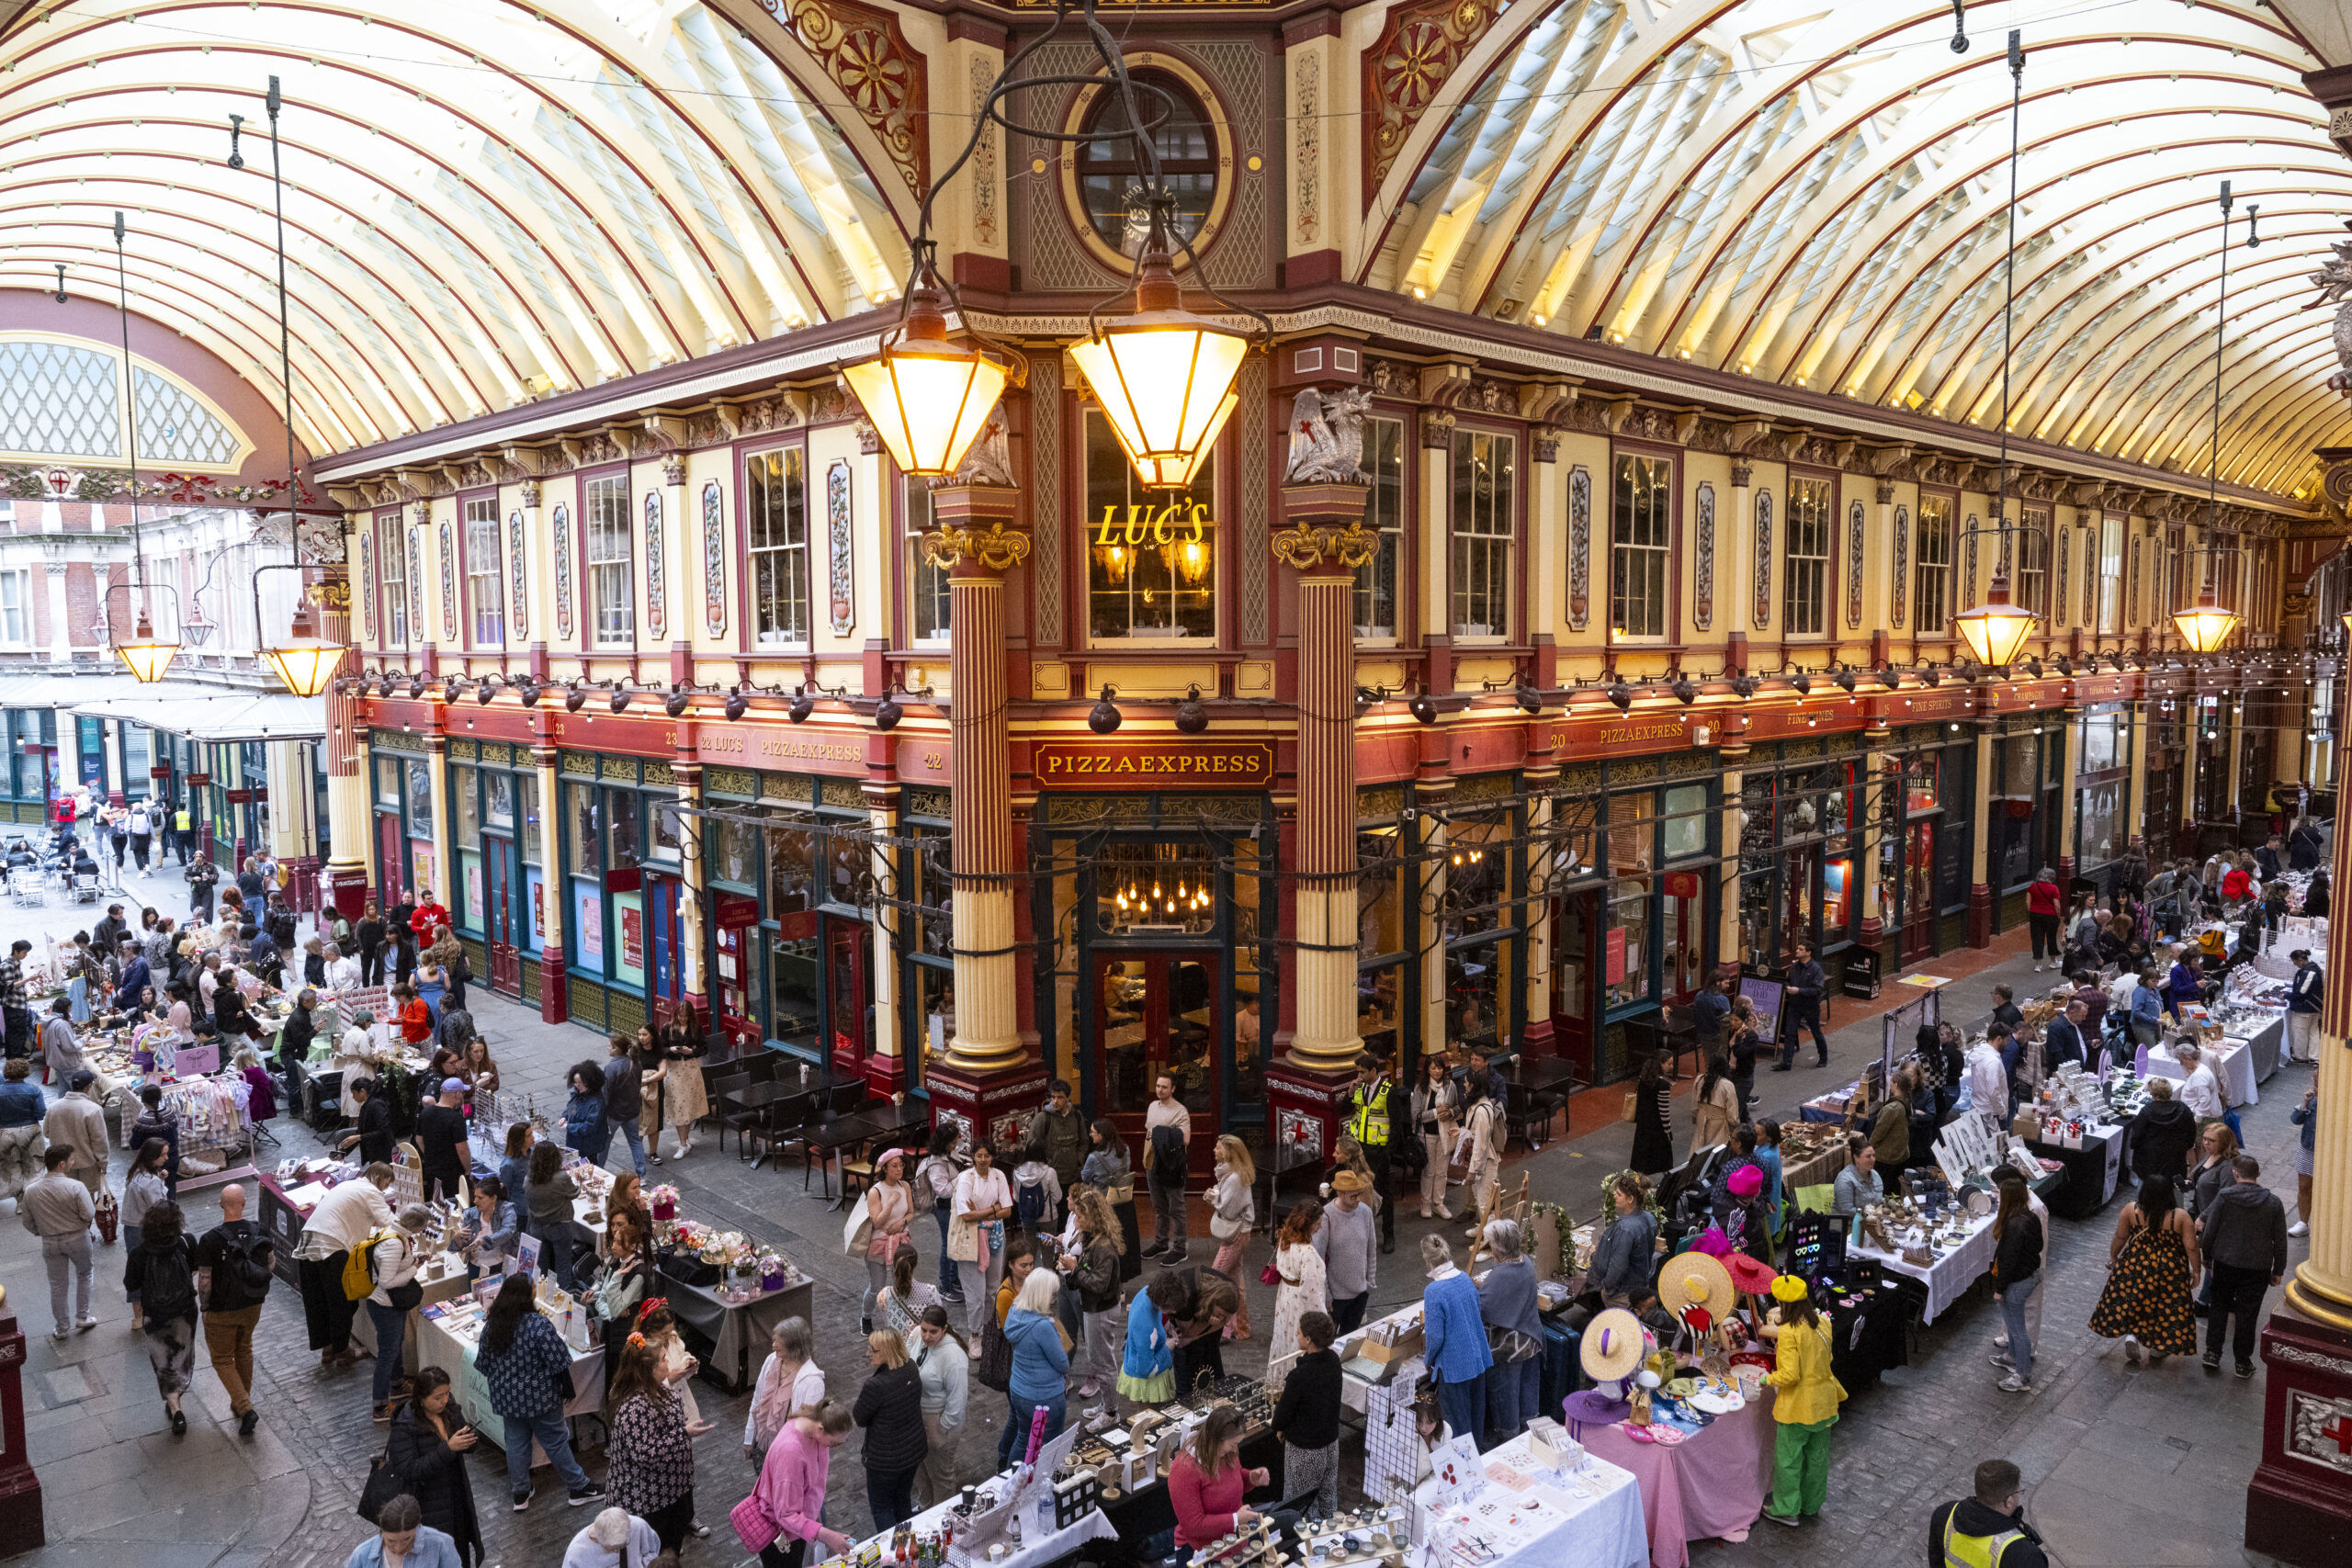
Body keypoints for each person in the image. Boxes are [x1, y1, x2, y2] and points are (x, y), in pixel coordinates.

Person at [473, 1272, 603, 1510]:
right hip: (540, 1398)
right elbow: (560, 1360)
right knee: (555, 1442)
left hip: (506, 1399)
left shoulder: (492, 1325)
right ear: (526, 1295)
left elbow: (482, 1364)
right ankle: (578, 1487)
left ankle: (520, 1493)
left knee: (515, 1443)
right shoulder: (538, 1325)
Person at [1758, 1274, 1845, 1527]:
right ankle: (1810, 1505)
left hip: (1797, 1406)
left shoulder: (1788, 1331)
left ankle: (1786, 1509)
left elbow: (1789, 1375)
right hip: (1824, 1401)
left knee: (1789, 1460)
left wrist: (1766, 1380)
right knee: (1817, 1458)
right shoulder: (1823, 1322)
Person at [2088, 1175, 2200, 1368]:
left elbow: (2120, 1237)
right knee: (2164, 1305)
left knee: (2136, 1299)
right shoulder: (2180, 1216)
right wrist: (2196, 1270)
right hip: (2169, 1268)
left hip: (2136, 1262)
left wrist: (2113, 1257)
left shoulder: (2131, 1210)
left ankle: (2132, 1334)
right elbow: (2191, 1247)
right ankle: (2158, 1346)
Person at [604, 1331, 696, 1553]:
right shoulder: (633, 1406)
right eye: (664, 1359)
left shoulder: (657, 1388)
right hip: (649, 1502)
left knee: (669, 1553)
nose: (668, 1362)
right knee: (651, 1557)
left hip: (673, 1492)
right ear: (650, 1369)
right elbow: (644, 1454)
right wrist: (684, 1434)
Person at [295, 1163, 395, 1363]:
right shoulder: (370, 1191)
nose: (384, 1190)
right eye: (385, 1184)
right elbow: (390, 1222)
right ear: (378, 1178)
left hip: (309, 1243)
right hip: (332, 1246)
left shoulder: (348, 1185)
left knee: (318, 1301)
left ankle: (328, 1347)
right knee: (344, 1301)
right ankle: (342, 1350)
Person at [386, 1368, 486, 1566]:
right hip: (426, 1505)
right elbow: (409, 1469)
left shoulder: (449, 1410)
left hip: (456, 1497)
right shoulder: (405, 1427)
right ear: (422, 1398)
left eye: (447, 1393)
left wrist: (469, 1439)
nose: (444, 1400)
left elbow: (467, 1446)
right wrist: (448, 1449)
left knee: (458, 1552)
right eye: (437, 1397)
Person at [2199, 1153, 2287, 1379]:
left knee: (2218, 1306)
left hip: (2226, 1261)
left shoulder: (2225, 1197)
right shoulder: (2273, 1202)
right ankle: (2242, 1361)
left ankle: (2212, 1352)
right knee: (2248, 1313)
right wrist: (2278, 1270)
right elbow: (2280, 1239)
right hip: (2258, 1266)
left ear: (2235, 1174)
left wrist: (2207, 1256)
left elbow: (2211, 1229)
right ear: (2258, 1174)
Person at [195, 1181, 272, 1437]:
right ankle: (241, 1403)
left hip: (222, 1309)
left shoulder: (209, 1240)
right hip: (252, 1305)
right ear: (244, 1204)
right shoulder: (258, 1230)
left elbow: (204, 1279)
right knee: (244, 1349)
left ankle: (245, 1407)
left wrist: (204, 1308)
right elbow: (270, 1264)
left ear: (220, 1205)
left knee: (221, 1359)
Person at [741, 1398, 855, 1568]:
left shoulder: (813, 1431)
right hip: (781, 1538)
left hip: (798, 1530)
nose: (834, 1447)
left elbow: (812, 1486)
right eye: (834, 1443)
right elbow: (786, 1514)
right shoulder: (791, 1452)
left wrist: (815, 1519)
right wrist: (827, 1535)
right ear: (820, 1429)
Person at [123, 1198, 200, 1437]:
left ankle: (174, 1406)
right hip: (184, 1312)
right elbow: (195, 1268)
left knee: (162, 1360)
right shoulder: (186, 1242)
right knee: (181, 1356)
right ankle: (177, 1395)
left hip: (155, 1315)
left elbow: (131, 1283)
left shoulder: (139, 1253)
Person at [1170, 1404, 1289, 1551]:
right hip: (1203, 1551)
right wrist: (1236, 1519)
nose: (1235, 1449)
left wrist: (1249, 1478)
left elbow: (1229, 1483)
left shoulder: (1227, 1453)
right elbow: (1194, 1526)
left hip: (1235, 1542)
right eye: (1233, 1444)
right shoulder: (1184, 1469)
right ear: (1216, 1439)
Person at [1269, 1309, 1342, 1518]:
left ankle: (1306, 1548)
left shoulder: (1300, 1376)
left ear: (1309, 1339)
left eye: (1299, 1333)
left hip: (1306, 1451)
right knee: (1328, 1495)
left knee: (1302, 1506)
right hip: (1331, 1443)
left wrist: (1281, 1428)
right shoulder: (1334, 1361)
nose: (1297, 1336)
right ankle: (1331, 1537)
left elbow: (1281, 1417)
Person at [1419, 1234, 1491, 1443]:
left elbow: (1434, 1335)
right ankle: (1476, 1465)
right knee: (1476, 1421)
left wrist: (1428, 1359)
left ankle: (1463, 1470)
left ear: (1427, 1258)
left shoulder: (1434, 1291)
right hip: (1477, 1360)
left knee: (1457, 1428)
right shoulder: (1465, 1279)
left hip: (1454, 1367)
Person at [1476, 1218, 1544, 1440]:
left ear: (1498, 1246)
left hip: (1509, 1348)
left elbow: (1484, 1309)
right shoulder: (1527, 1262)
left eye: (1490, 1243)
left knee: (1507, 1397)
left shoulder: (1501, 1275)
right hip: (1531, 1339)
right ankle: (1529, 1433)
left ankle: (1509, 1437)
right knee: (1527, 1395)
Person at [20, 1145, 97, 1339]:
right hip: (77, 1236)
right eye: (71, 1160)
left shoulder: (31, 1191)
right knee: (85, 1274)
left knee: (57, 1285)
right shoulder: (75, 1187)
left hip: (50, 1242)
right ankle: (82, 1316)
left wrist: (42, 1231)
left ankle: (61, 1328)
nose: (73, 1163)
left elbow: (28, 1222)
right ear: (62, 1164)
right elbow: (89, 1213)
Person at [854, 1327, 928, 1528]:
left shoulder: (875, 1386)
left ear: (887, 1352)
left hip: (885, 1459)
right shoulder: (911, 1367)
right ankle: (908, 1546)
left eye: (873, 1350)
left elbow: (859, 1417)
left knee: (882, 1507)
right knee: (903, 1500)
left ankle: (892, 1550)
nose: (868, 1353)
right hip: (912, 1450)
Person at [367, 1205, 433, 1422]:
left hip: (390, 1304)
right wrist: (415, 1269)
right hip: (385, 1305)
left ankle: (397, 1385)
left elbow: (394, 1266)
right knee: (387, 1354)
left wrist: (414, 1260)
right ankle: (380, 1407)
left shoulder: (394, 1233)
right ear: (415, 1226)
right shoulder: (395, 1243)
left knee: (396, 1344)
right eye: (421, 1228)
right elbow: (387, 1281)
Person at [1000, 1269, 1069, 1468]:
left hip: (1020, 1391)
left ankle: (1012, 1479)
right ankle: (1043, 1485)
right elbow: (1062, 1363)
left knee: (1023, 1438)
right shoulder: (1042, 1327)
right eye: (1052, 1294)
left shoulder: (1015, 1310)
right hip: (1045, 1397)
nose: (1054, 1299)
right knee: (1050, 1446)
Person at [1062, 1187, 1126, 1398]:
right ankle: (1106, 1406)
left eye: (1080, 1217)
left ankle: (1110, 1412)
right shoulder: (1094, 1240)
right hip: (1096, 1307)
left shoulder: (1103, 1247)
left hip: (1101, 1309)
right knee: (1099, 1360)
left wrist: (1074, 1269)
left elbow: (1098, 1284)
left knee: (1103, 1364)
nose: (1077, 1222)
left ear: (1091, 1216)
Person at [1928, 1460, 2051, 1568]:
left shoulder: (1945, 1514)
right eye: (2018, 1491)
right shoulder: (2025, 1555)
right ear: (2009, 1501)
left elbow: (1936, 1561)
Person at [949, 1140, 1013, 1340]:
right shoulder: (966, 1179)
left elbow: (1008, 1210)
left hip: (995, 1237)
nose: (983, 1160)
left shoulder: (998, 1176)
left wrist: (980, 1212)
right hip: (970, 1239)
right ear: (973, 1157)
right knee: (975, 1294)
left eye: (987, 1156)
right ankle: (975, 1333)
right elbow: (966, 1215)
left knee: (993, 1289)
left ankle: (989, 1328)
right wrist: (993, 1209)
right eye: (979, 1156)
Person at [1266, 1200, 1328, 1394]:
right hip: (1299, 1302)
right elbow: (1311, 1292)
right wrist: (1323, 1320)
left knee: (1283, 1339)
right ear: (1309, 1224)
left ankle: (1278, 1387)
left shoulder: (1285, 1240)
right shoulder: (1308, 1253)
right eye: (1317, 1222)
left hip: (1285, 1297)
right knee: (1297, 1343)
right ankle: (1296, 1389)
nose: (1320, 1226)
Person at [744, 1316, 825, 1463]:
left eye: (778, 1342)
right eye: (773, 1340)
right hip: (762, 1446)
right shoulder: (771, 1361)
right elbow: (756, 1401)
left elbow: (807, 1428)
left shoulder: (812, 1381)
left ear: (794, 1345)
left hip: (788, 1457)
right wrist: (749, 1439)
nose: (773, 1346)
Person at [1989, 1179, 2044, 1393]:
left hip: (2016, 1283)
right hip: (2028, 1277)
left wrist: (1999, 1289)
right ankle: (2012, 1358)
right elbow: (2038, 1246)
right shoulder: (2030, 1217)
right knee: (2014, 1325)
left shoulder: (2014, 1224)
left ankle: (2022, 1376)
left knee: (2017, 1328)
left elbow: (2008, 1261)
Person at [911, 1305, 968, 1507]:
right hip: (917, 1416)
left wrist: (942, 1429)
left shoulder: (954, 1357)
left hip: (938, 1419)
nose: (926, 1336)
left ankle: (943, 1512)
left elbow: (957, 1400)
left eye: (932, 1332)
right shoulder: (918, 1335)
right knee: (919, 1466)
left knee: (940, 1471)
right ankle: (925, 1505)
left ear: (944, 1329)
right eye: (924, 1329)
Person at [1342, 1052, 1398, 1253]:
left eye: (1362, 1072)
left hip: (1379, 1151)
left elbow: (1396, 1125)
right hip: (1359, 1151)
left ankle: (1389, 1235)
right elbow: (1345, 1110)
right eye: (1358, 1072)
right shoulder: (1359, 1088)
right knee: (1359, 1193)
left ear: (1373, 1071)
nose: (1359, 1076)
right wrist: (1349, 1093)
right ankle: (1363, 1236)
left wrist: (1387, 1152)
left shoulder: (1388, 1091)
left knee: (1384, 1193)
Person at [860, 1147, 916, 1332]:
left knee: (901, 1282)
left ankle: (898, 1319)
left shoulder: (905, 1186)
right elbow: (877, 1221)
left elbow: (911, 1212)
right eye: (894, 1166)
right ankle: (865, 1317)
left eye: (901, 1165)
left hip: (900, 1242)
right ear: (885, 1168)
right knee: (877, 1286)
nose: (899, 1169)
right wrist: (890, 1202)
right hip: (879, 1244)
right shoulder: (876, 1191)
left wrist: (901, 1221)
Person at [1315, 1168, 1378, 1331]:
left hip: (1360, 1291)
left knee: (1350, 1337)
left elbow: (1371, 1248)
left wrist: (1370, 1282)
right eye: (1353, 1196)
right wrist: (1327, 1295)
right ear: (1341, 1194)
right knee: (1328, 1342)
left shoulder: (1365, 1212)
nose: (1358, 1199)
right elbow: (1319, 1258)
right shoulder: (1326, 1216)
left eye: (1359, 1194)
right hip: (1336, 1296)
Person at [1206, 1134, 1257, 1338]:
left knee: (1215, 1278)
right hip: (1240, 1234)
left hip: (1235, 1236)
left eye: (1218, 1148)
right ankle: (1241, 1328)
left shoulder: (1234, 1178)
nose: (1215, 1151)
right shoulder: (1230, 1174)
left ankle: (1222, 1329)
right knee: (1236, 1282)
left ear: (1228, 1152)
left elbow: (1227, 1209)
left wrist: (1212, 1198)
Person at [121, 1139, 172, 1326]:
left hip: (131, 1226)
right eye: (163, 1155)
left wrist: (159, 1178)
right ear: (152, 1157)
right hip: (146, 1229)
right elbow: (159, 1208)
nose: (166, 1158)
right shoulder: (150, 1182)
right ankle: (149, 1311)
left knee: (135, 1267)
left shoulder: (136, 1172)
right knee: (151, 1269)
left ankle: (138, 1315)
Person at [1143, 1071, 1192, 1262]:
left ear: (1173, 1089)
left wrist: (1159, 1134)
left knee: (1176, 1209)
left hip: (1172, 1165)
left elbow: (1185, 1140)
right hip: (1152, 1163)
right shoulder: (1152, 1106)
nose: (1160, 1090)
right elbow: (1148, 1133)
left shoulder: (1180, 1111)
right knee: (1159, 1206)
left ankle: (1180, 1249)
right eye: (1157, 1086)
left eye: (1164, 1087)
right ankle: (1161, 1243)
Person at [345, 1494, 467, 1568]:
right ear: (382, 1531)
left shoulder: (441, 1544)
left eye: (407, 1539)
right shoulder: (361, 1555)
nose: (398, 1548)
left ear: (417, 1527)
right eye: (391, 1541)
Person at [1025, 1079, 1086, 1222]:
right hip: (1051, 1181)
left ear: (1068, 1099)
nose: (1055, 1101)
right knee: (1052, 1219)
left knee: (1071, 1217)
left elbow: (1084, 1142)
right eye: (1053, 1097)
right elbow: (1031, 1147)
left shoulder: (1077, 1117)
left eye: (1060, 1097)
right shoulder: (1043, 1119)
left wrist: (1078, 1160)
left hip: (1072, 1178)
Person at [1411, 1055, 1461, 1219]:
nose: (1437, 1071)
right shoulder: (1421, 1088)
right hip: (1427, 1135)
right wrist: (1436, 1112)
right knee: (1429, 1171)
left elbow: (1457, 1107)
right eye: (1433, 1068)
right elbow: (1416, 1115)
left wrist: (1451, 1112)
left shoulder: (1450, 1086)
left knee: (1442, 1171)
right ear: (1427, 1070)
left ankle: (1439, 1203)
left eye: (1439, 1068)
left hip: (1445, 1133)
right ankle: (1425, 1203)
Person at [655, 1010, 708, 1161]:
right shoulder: (668, 1029)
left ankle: (685, 1141)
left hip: (691, 1071)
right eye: (680, 1016)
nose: (683, 1019)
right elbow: (660, 1048)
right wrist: (670, 1050)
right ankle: (683, 1144)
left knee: (688, 1106)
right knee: (678, 1106)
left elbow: (704, 1048)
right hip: (675, 1070)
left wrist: (692, 1051)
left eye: (685, 1016)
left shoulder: (696, 1029)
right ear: (676, 1015)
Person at [1121, 1273, 1180, 1406]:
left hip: (1140, 1364)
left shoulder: (1148, 1292)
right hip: (1148, 1380)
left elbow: (1158, 1316)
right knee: (1152, 1418)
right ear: (1163, 1302)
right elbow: (1145, 1369)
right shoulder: (1146, 1326)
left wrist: (1167, 1327)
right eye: (1172, 1308)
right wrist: (1167, 1347)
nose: (1175, 1311)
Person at [451, 1177, 521, 1282]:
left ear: (493, 1198)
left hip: (500, 1266)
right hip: (475, 1267)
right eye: (475, 1197)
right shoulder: (470, 1213)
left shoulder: (507, 1210)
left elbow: (508, 1231)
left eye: (480, 1198)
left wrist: (485, 1241)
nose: (475, 1201)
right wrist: (458, 1238)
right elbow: (462, 1244)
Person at [602, 1033, 649, 1179]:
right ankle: (642, 1175)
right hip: (633, 1110)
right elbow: (638, 1083)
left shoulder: (611, 1067)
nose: (607, 1048)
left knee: (604, 1143)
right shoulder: (635, 1063)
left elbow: (606, 1092)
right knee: (635, 1141)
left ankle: (598, 1169)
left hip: (615, 1113)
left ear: (616, 1049)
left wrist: (602, 1111)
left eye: (609, 1046)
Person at [1778, 942, 1827, 1067]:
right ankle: (1786, 1062)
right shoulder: (1794, 967)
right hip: (1795, 1005)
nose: (1797, 951)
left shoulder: (1816, 969)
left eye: (1800, 949)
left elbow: (1817, 990)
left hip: (1810, 1006)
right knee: (1790, 1032)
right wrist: (1788, 987)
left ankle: (1823, 1058)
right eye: (1797, 948)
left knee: (1816, 1032)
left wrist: (1799, 991)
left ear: (1808, 952)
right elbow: (1787, 981)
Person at [561, 1506, 661, 1568]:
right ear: (596, 1538)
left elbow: (653, 1550)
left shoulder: (638, 1525)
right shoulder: (575, 1553)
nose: (618, 1551)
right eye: (613, 1549)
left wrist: (646, 1565)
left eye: (623, 1545)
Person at [1628, 1052, 1675, 1177]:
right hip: (1657, 1129)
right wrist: (1668, 1131)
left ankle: (1638, 1188)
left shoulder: (1643, 1079)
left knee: (1642, 1162)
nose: (1672, 1066)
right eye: (1669, 1063)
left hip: (1643, 1127)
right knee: (1665, 1162)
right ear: (1660, 1064)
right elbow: (1664, 1112)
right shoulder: (1663, 1085)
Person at [2188, 1122, 2240, 1224]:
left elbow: (2225, 1197)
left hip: (2215, 1221)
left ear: (2224, 1142)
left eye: (2211, 1140)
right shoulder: (2211, 1154)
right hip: (2201, 1213)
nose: (2206, 1143)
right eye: (2204, 1139)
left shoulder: (2228, 1167)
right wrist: (2189, 1183)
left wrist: (2203, 1218)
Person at [1690, 1052, 1740, 1160]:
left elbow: (1694, 1105)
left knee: (1699, 1148)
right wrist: (1735, 1124)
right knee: (1716, 1154)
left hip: (1702, 1118)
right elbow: (1732, 1114)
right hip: (1719, 1124)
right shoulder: (1727, 1085)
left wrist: (1697, 1116)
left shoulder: (1699, 1079)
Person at [1870, 1066, 1913, 1181]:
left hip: (1887, 1158)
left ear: (1896, 1084)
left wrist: (1869, 1147)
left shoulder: (1892, 1108)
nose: (1889, 1083)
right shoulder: (1907, 1102)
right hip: (1901, 1154)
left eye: (1891, 1080)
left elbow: (1879, 1133)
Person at [2288, 949, 2324, 1065]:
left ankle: (2300, 1056)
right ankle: (2315, 1056)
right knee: (2313, 1032)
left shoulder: (2307, 972)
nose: (2294, 964)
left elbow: (2302, 992)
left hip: (2304, 1007)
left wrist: (2287, 995)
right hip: (2315, 1006)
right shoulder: (2315, 969)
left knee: (2300, 1032)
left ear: (2300, 960)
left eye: (2294, 961)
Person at [2292, 1086, 2318, 1240]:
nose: (2315, 1087)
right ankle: (2303, 1222)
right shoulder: (2312, 1101)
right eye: (2314, 1083)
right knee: (2304, 1186)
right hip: (2308, 1148)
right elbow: (2295, 1119)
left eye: (2317, 1083)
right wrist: (2304, 1104)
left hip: (2326, 1151)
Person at [1834, 1136, 1883, 1214]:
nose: (1873, 1159)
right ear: (1856, 1157)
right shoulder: (1844, 1179)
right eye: (1868, 1156)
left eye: (1874, 1155)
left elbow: (1879, 1200)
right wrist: (1871, 1213)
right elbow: (1847, 1211)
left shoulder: (1875, 1175)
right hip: (1847, 1224)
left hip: (1871, 1221)